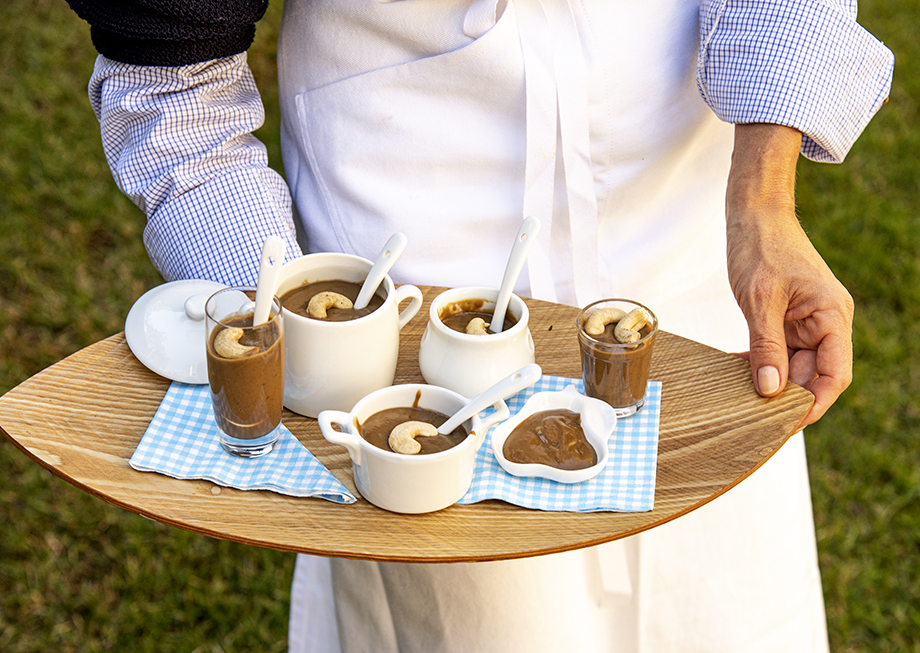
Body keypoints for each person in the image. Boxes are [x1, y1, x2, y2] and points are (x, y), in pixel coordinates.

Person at [66, 1, 894, 650]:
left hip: (679, 207)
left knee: (721, 598)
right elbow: (173, 82)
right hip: (407, 208)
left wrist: (762, 202)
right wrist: (303, 323)